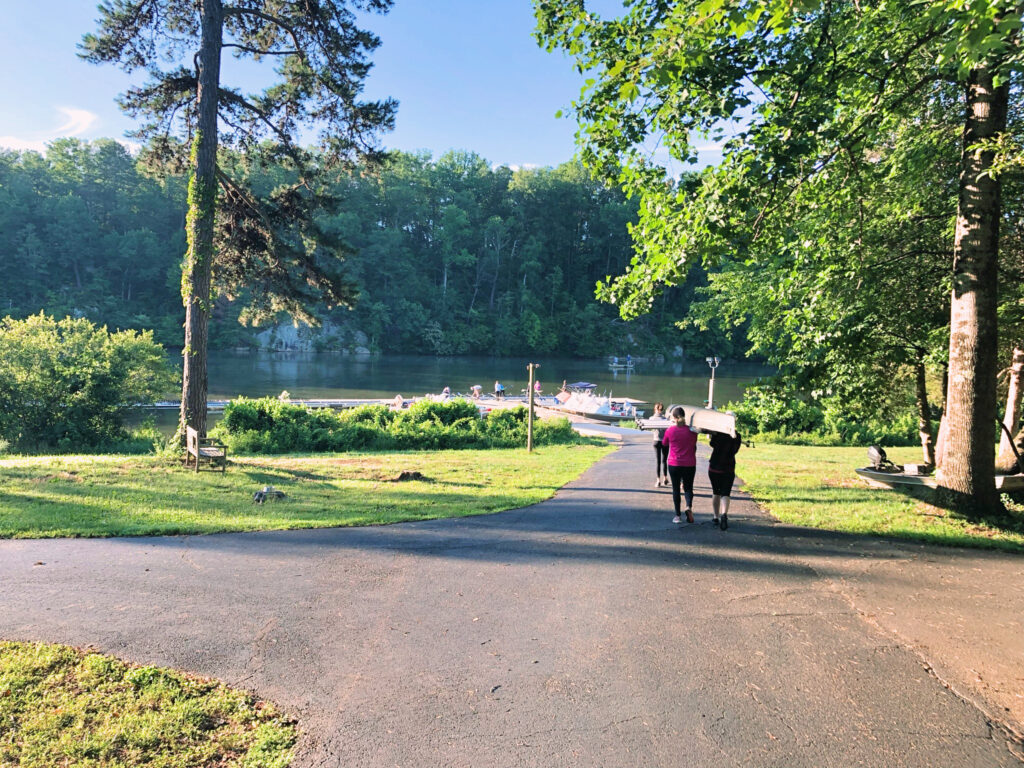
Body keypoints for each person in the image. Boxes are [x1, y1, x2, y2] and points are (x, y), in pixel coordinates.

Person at [662, 406, 698, 524]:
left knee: (676, 489)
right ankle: (688, 507)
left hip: (674, 463)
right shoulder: (692, 431)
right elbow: (694, 445)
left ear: (674, 417)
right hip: (689, 464)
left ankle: (677, 516)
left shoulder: (670, 430)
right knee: (688, 488)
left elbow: (664, 443)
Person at [708, 429, 743, 530]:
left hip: (714, 467)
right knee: (725, 493)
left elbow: (712, 444)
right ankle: (724, 515)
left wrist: (712, 435)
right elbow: (735, 450)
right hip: (728, 468)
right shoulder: (737, 436)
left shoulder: (718, 433)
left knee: (716, 492)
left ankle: (715, 517)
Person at [650, 402, 670, 488]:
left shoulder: (651, 419)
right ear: (662, 410)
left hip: (656, 441)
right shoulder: (665, 419)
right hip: (665, 441)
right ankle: (665, 477)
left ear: (655, 409)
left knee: (658, 461)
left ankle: (658, 480)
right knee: (664, 461)